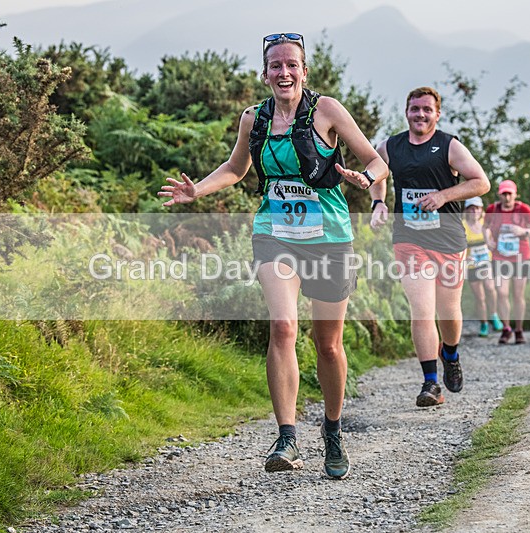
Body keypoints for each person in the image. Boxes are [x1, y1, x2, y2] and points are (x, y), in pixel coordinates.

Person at [159, 32, 388, 479]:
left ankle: (333, 429)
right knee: (283, 326)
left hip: (328, 236)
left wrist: (366, 177)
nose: (284, 73)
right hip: (274, 233)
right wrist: (197, 189)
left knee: (329, 344)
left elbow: (378, 161)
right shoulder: (254, 118)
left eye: (292, 65)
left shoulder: (327, 110)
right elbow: (235, 168)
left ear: (304, 71)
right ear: (265, 73)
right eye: (276, 66)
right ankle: (286, 437)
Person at [370, 87, 490, 407]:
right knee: (422, 309)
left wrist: (442, 196)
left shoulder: (450, 146)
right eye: (414, 109)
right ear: (406, 112)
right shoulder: (391, 146)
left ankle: (450, 353)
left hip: (449, 240)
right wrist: (378, 202)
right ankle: (430, 383)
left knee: (448, 311)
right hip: (410, 239)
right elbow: (375, 172)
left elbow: (481, 182)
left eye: (427, 109)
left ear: (437, 114)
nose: (420, 115)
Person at [483, 179, 530, 345]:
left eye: (510, 193)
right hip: (499, 256)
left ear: (515, 194)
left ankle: (519, 329)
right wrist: (487, 241)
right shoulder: (493, 210)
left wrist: (523, 231)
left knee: (518, 295)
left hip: (520, 257)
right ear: (499, 195)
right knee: (501, 293)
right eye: (504, 193)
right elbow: (484, 227)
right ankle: (506, 328)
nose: (507, 197)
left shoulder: (523, 209)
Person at [462, 196, 504, 337]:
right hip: (472, 265)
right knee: (479, 297)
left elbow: (494, 240)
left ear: (481, 210)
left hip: (486, 262)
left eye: (477, 208)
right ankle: (484, 324)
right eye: (471, 208)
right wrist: (464, 256)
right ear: (467, 210)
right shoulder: (462, 226)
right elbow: (457, 246)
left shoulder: (486, 224)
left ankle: (494, 315)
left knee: (490, 288)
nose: (474, 211)